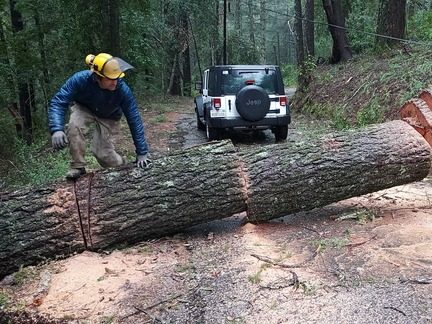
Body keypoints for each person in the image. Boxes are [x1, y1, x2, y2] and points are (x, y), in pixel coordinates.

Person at [48, 53, 151, 180]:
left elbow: (134, 118)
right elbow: (59, 101)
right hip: (84, 108)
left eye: (117, 78)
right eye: (110, 79)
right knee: (75, 125)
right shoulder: (80, 79)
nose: (115, 82)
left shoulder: (123, 90)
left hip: (110, 115)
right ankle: (78, 166)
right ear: (98, 77)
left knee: (102, 154)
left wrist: (142, 152)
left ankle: (122, 169)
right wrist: (56, 129)